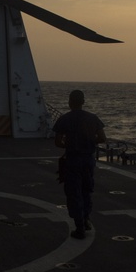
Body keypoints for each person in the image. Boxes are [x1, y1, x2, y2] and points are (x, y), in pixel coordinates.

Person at [53, 90, 107, 239]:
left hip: (72, 160)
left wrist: (70, 144)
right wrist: (89, 141)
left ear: (69, 102)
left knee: (73, 192)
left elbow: (58, 142)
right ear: (83, 102)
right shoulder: (93, 118)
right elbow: (102, 138)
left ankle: (79, 227)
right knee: (86, 189)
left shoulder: (64, 119)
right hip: (88, 160)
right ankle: (86, 218)